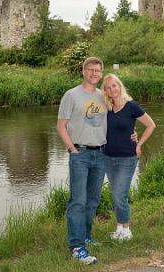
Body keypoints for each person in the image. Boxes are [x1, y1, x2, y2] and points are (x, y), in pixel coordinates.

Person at [57, 57, 107, 265]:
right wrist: (72, 149)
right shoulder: (71, 95)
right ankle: (77, 247)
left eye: (98, 70)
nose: (94, 73)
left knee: (93, 200)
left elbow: (115, 120)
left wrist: (132, 134)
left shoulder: (104, 96)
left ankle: (86, 236)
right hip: (81, 154)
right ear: (83, 71)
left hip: (101, 154)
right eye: (90, 70)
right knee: (78, 200)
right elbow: (61, 125)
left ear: (101, 74)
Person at [102, 73, 156, 241]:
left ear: (120, 86)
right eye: (108, 87)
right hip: (108, 157)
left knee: (120, 195)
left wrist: (139, 144)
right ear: (106, 91)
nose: (112, 89)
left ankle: (127, 230)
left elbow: (151, 125)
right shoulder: (106, 108)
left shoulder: (131, 106)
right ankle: (119, 228)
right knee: (116, 194)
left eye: (114, 85)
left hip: (127, 158)